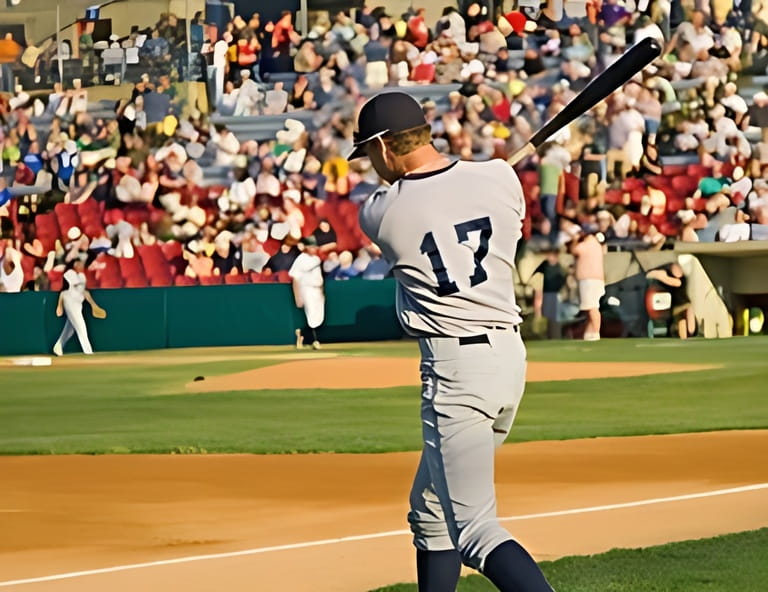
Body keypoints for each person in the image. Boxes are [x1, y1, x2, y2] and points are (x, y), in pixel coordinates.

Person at [350, 91, 555, 592]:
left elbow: (416, 197)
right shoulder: (501, 178)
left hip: (456, 371)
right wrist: (490, 171)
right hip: (508, 359)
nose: (370, 164)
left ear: (385, 145)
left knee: (476, 531)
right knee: (430, 512)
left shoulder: (381, 214)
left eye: (369, 152)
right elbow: (468, 187)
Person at [52, 260, 104, 356]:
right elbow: (74, 287)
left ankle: (58, 346)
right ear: (73, 265)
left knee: (70, 329)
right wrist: (60, 305)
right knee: (81, 326)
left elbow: (85, 292)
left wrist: (93, 305)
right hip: (70, 301)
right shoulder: (69, 273)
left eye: (81, 263)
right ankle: (88, 351)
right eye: (78, 264)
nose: (80, 265)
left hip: (78, 303)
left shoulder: (82, 276)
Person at [564, 225, 605, 341]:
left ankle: (595, 332)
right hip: (592, 279)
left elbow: (574, 250)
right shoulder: (595, 243)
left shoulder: (589, 243)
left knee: (592, 307)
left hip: (589, 279)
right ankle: (589, 333)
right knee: (590, 308)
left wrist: (575, 239)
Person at [289, 236, 325, 350]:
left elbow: (319, 277)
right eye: (312, 246)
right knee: (312, 315)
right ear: (306, 247)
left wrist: (321, 291)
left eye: (315, 247)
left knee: (319, 316)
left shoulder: (316, 259)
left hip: (317, 289)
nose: (314, 249)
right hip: (306, 289)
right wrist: (297, 295)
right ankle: (315, 340)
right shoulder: (301, 259)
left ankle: (303, 336)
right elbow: (295, 279)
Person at [646, 262, 696, 339]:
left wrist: (661, 276)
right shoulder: (667, 275)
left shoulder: (679, 279)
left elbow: (677, 283)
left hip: (682, 303)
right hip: (675, 305)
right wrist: (658, 275)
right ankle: (684, 337)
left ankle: (686, 335)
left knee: (686, 323)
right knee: (681, 320)